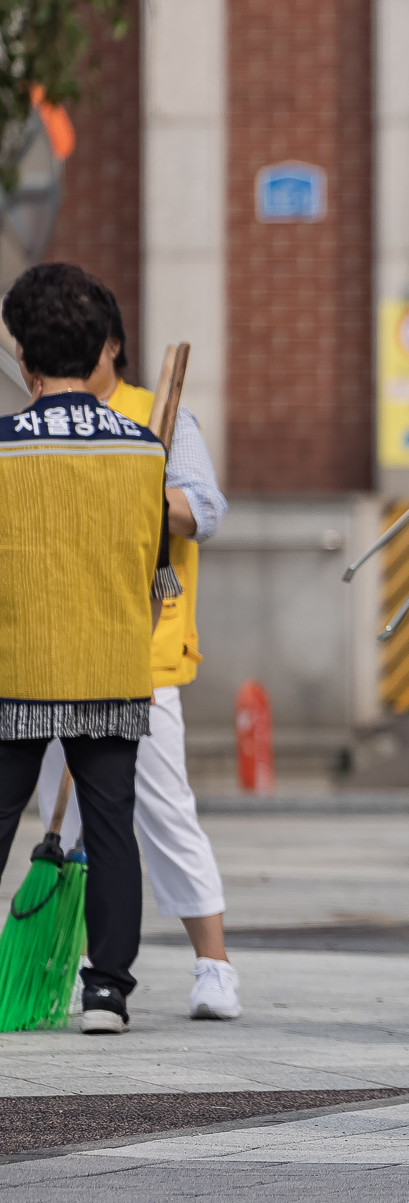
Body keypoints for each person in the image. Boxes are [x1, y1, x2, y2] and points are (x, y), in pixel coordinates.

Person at [29, 297, 243, 1020]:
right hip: (52, 651)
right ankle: (91, 967)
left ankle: (213, 964)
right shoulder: (43, 421)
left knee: (158, 808)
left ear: (111, 347)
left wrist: (136, 481)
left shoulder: (162, 417)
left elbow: (204, 510)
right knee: (68, 814)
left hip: (141, 648)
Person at [0, 264, 168, 1034]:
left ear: (22, 357)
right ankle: (106, 989)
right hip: (111, 659)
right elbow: (154, 568)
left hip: (16, 660)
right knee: (110, 824)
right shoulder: (144, 450)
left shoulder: (3, 448)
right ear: (104, 349)